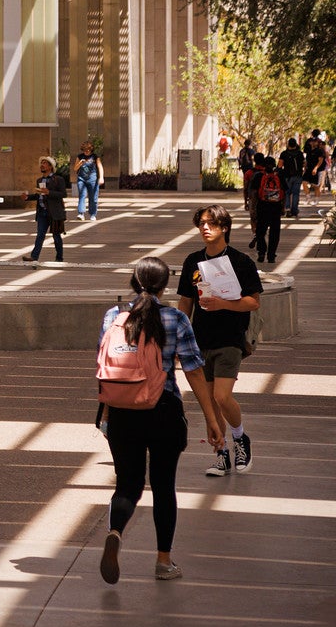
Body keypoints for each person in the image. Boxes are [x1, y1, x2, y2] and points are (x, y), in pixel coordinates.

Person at [96, 257, 224, 585]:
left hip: (123, 412)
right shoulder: (176, 318)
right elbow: (194, 371)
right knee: (164, 486)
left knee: (127, 484)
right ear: (165, 286)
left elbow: (106, 369)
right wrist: (212, 419)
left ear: (133, 282)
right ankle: (163, 562)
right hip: (164, 411)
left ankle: (114, 532)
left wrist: (107, 413)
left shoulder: (114, 316)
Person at [177, 206, 262, 477]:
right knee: (210, 406)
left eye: (211, 223)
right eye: (201, 223)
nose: (205, 228)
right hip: (200, 340)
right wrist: (179, 337)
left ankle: (240, 438)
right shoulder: (192, 261)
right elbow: (185, 303)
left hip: (230, 339)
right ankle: (221, 454)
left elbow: (253, 302)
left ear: (224, 227)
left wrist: (222, 304)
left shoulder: (241, 261)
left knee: (221, 397)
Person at [26, 155, 68, 262]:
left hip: (54, 213)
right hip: (42, 212)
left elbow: (63, 194)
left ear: (50, 166)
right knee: (40, 235)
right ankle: (34, 257)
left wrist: (49, 192)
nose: (42, 165)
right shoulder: (39, 180)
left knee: (56, 236)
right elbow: (39, 195)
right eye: (41, 163)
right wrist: (28, 197)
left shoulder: (58, 179)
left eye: (44, 163)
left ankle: (59, 258)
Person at [250, 153, 285, 265]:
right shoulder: (279, 176)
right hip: (276, 209)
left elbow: (254, 194)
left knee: (260, 232)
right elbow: (283, 194)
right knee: (275, 233)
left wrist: (253, 209)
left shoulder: (258, 176)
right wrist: (283, 208)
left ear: (264, 165)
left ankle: (261, 252)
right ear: (274, 165)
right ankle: (271, 255)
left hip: (262, 208)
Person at [73, 142, 102, 223]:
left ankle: (93, 214)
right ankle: (81, 213)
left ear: (91, 150)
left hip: (93, 179)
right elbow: (75, 169)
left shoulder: (95, 157)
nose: (86, 152)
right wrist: (80, 163)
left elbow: (100, 167)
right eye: (85, 150)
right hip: (81, 178)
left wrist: (101, 177)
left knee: (93, 197)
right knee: (82, 195)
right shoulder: (80, 157)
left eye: (88, 150)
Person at [279, 137, 305, 219]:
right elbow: (304, 164)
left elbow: (280, 165)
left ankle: (287, 209)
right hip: (298, 176)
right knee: (296, 193)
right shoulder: (300, 153)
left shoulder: (284, 153)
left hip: (287, 176)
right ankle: (294, 210)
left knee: (287, 193)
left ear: (288, 144)